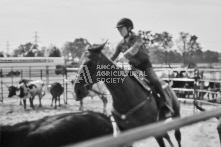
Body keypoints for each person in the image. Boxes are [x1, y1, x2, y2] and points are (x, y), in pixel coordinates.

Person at [110, 18, 174, 119]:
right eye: (118, 29)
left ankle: (165, 105)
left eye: (121, 28)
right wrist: (105, 65)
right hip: (134, 68)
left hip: (145, 67)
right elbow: (113, 57)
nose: (119, 31)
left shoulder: (137, 38)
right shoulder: (120, 44)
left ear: (129, 28)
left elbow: (134, 49)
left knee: (155, 81)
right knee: (126, 84)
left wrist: (125, 56)